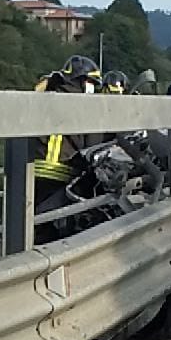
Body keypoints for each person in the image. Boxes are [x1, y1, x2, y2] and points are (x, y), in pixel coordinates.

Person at [31, 55, 104, 241]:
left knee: (33, 223)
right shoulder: (80, 104)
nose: (93, 90)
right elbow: (93, 145)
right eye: (92, 84)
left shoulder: (49, 93)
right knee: (51, 226)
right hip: (60, 172)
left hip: (33, 169)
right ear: (82, 81)